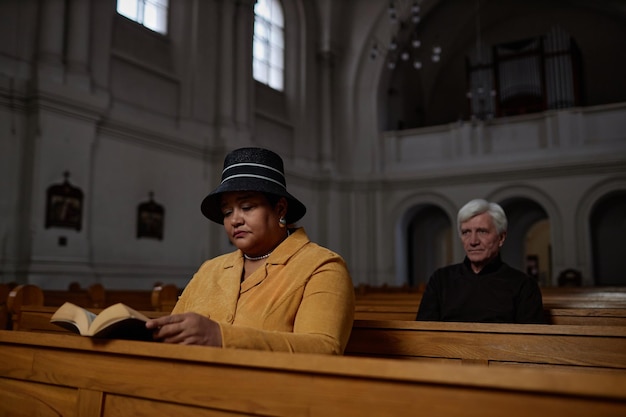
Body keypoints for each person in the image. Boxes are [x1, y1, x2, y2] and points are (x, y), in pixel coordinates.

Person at [146, 147, 355, 354]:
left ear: (280, 209)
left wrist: (221, 337)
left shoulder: (322, 267)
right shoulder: (209, 270)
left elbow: (323, 349)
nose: (235, 220)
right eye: (227, 212)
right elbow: (172, 337)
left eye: (247, 207)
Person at [416, 198, 546, 323]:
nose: (473, 241)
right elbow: (423, 335)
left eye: (482, 232)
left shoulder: (523, 285)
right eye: (466, 232)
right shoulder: (440, 280)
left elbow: (532, 342)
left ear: (501, 237)